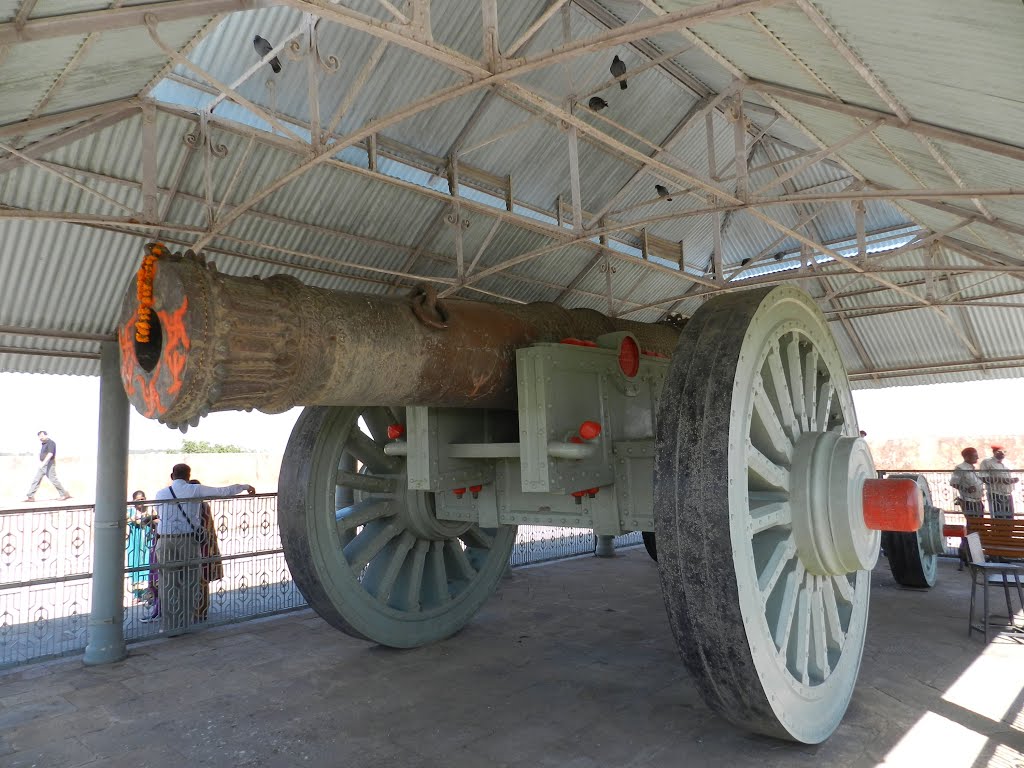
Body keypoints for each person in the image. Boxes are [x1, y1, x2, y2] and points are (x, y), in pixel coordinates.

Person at [153, 463, 254, 636]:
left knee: (168, 584)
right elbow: (222, 491)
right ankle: (186, 622)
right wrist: (244, 487)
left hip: (165, 541)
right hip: (188, 541)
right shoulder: (194, 490)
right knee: (190, 582)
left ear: (172, 476)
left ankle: (170, 626)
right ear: (188, 476)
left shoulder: (160, 493)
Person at [188, 478, 225, 622]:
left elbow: (205, 528)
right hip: (203, 546)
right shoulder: (199, 505)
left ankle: (200, 611)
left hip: (202, 547)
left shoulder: (200, 506)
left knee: (201, 580)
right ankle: (197, 610)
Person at [126, 490, 156, 603]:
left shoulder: (151, 511)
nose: (140, 502)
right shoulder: (129, 512)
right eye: (137, 500)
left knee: (149, 564)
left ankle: (149, 593)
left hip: (148, 542)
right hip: (135, 543)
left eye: (142, 499)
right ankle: (137, 594)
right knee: (135, 564)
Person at [24, 430, 71, 502]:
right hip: (43, 464)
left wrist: (43, 463)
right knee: (36, 479)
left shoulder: (51, 443)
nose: (41, 437)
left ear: (46, 435)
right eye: (39, 436)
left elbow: (50, 454)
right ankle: (30, 497)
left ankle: (64, 494)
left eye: (42, 436)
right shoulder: (43, 444)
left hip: (49, 464)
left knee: (53, 480)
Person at [980, 445, 1018, 519]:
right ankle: (998, 530)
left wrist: (1013, 480)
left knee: (1009, 517)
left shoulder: (1007, 462)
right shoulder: (987, 462)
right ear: (994, 452)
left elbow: (1009, 476)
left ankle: (1008, 530)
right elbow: (983, 478)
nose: (1003, 453)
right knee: (998, 517)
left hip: (1008, 493)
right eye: (999, 452)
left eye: (1004, 452)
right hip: (995, 494)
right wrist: (1002, 480)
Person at [950, 447, 985, 517]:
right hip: (968, 501)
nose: (977, 458)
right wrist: (966, 489)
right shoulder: (960, 468)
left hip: (978, 500)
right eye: (975, 456)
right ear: (967, 457)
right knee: (973, 524)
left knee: (980, 523)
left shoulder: (972, 468)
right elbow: (953, 483)